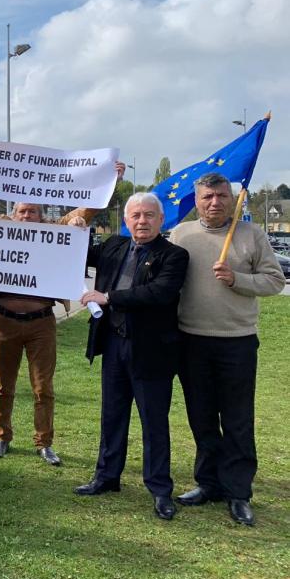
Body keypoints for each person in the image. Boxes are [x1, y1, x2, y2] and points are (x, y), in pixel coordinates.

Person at [0, 154, 124, 467]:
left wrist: (111, 181)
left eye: (32, 211)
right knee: (3, 386)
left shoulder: (53, 231)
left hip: (42, 323)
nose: (27, 216)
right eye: (22, 211)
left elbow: (85, 211)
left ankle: (44, 443)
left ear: (41, 216)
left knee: (43, 388)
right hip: (5, 320)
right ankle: (2, 437)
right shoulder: (1, 228)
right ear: (13, 215)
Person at [170, 173, 283, 526]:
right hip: (191, 340)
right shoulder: (181, 235)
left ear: (232, 198)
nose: (215, 202)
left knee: (237, 419)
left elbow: (275, 281)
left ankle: (238, 492)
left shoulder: (252, 235)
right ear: (196, 200)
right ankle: (208, 483)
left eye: (221, 195)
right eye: (207, 197)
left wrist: (238, 280)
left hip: (237, 341)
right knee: (201, 417)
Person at [78, 192, 189, 520]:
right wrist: (79, 223)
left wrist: (109, 297)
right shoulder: (113, 246)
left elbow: (159, 293)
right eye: (136, 215)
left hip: (151, 350)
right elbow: (74, 250)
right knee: (112, 415)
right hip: (113, 345)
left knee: (153, 422)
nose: (142, 221)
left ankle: (159, 489)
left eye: (149, 215)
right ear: (126, 220)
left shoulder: (174, 255)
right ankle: (106, 476)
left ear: (161, 220)